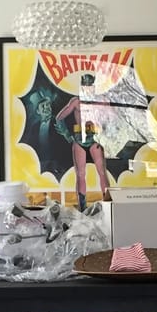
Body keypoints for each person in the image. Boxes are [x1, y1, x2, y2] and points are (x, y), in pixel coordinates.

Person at [56, 73, 112, 212]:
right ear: (82, 86)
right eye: (85, 86)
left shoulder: (101, 101)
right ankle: (83, 208)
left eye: (90, 86)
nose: (88, 89)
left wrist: (105, 133)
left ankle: (108, 205)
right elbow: (59, 117)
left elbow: (111, 118)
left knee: (102, 172)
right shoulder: (76, 101)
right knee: (80, 174)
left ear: (94, 87)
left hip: (95, 140)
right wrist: (67, 135)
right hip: (79, 140)